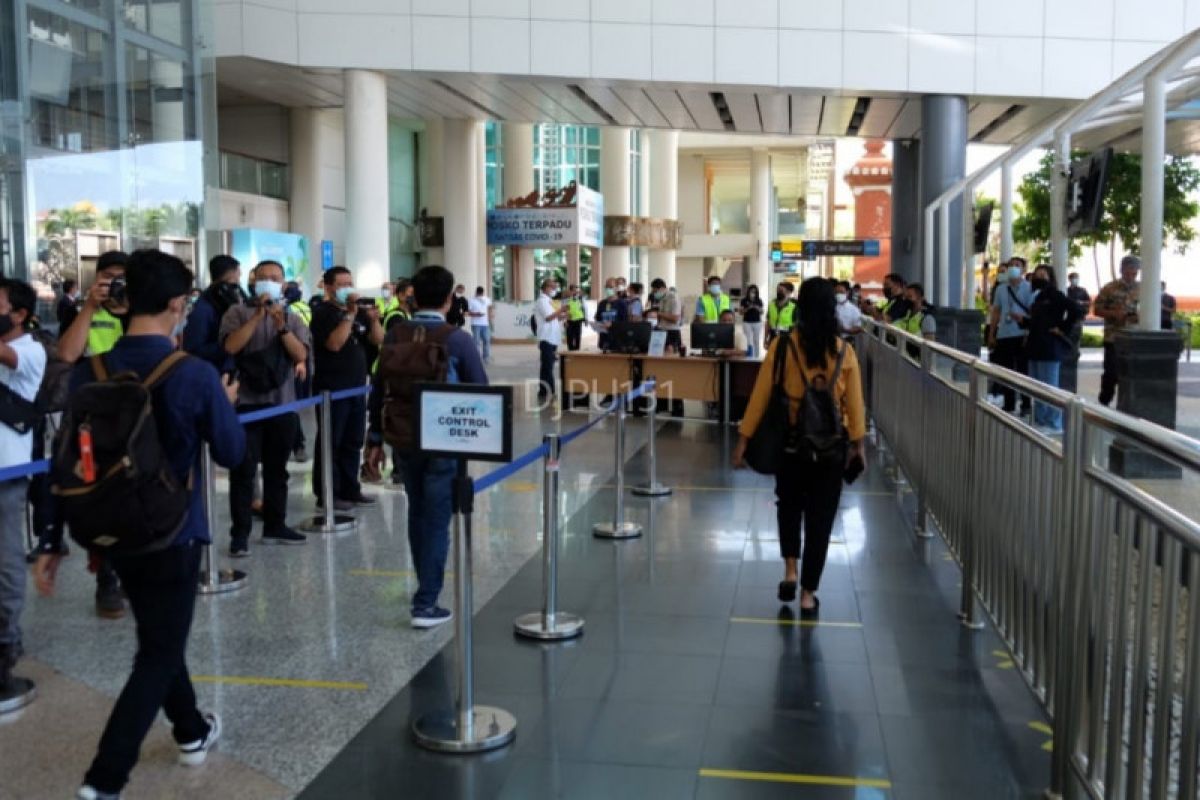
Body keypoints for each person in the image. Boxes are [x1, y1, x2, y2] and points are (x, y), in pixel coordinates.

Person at [33, 249, 245, 799]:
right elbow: (231, 452)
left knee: (159, 634)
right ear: (177, 304)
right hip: (173, 532)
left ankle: (191, 731)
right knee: (157, 652)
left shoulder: (92, 369)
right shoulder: (194, 374)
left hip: (110, 525)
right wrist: (225, 403)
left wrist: (51, 539)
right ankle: (104, 780)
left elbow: (64, 460)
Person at [733, 277, 866, 615]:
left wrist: (743, 440)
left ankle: (790, 570)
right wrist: (858, 446)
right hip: (831, 449)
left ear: (800, 307)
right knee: (821, 519)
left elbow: (760, 396)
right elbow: (855, 406)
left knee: (789, 506)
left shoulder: (781, 347)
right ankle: (808, 593)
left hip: (791, 446)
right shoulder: (845, 352)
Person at [365, 266, 487, 629]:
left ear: (412, 296)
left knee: (417, 511)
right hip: (444, 439)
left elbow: (379, 386)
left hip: (402, 435)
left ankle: (425, 585)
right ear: (450, 299)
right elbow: (480, 389)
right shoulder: (458, 339)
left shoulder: (394, 334)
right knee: (436, 518)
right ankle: (426, 601)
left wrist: (374, 438)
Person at [54, 250, 130, 618]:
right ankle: (107, 580)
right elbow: (67, 354)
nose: (117, 285)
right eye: (110, 277)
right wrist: (89, 307)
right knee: (103, 502)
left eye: (123, 278)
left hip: (137, 412)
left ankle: (136, 572)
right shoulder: (83, 311)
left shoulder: (141, 311)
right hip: (96, 417)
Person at [219, 261, 312, 555]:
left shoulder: (292, 317)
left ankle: (276, 525)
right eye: (263, 278)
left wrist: (280, 324)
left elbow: (300, 354)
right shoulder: (236, 312)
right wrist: (258, 316)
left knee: (277, 470)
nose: (269, 283)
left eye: (275, 278)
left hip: (281, 406)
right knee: (243, 471)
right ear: (253, 281)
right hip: (247, 406)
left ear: (284, 284)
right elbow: (231, 347)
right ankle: (240, 534)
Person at [0, 278, 47, 709]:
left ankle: (6, 646)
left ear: (17, 314)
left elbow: (8, 359)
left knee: (6, 561)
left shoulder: (31, 352)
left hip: (7, 474)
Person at [310, 266, 383, 509]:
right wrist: (350, 315)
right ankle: (328, 493)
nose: (347, 289)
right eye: (341, 284)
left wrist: (373, 320)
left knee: (353, 441)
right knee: (332, 441)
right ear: (329, 287)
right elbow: (334, 344)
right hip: (332, 387)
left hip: (356, 387)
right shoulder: (323, 312)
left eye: (350, 283)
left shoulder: (359, 313)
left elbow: (377, 340)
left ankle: (351, 489)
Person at [1025, 265, 1082, 431]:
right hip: (1034, 345)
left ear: (1050, 278)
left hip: (1049, 346)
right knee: (1036, 385)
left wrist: (1062, 327)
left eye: (1043, 275)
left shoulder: (1055, 295)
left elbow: (1076, 310)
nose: (1039, 277)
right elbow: (1037, 321)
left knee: (1049, 386)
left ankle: (1053, 422)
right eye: (1037, 274)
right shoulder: (1036, 296)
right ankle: (1040, 419)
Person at [1094, 255, 1142, 407]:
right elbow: (1097, 309)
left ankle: (1127, 405)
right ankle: (1104, 403)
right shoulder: (1109, 288)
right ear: (1122, 270)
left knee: (1131, 374)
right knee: (1111, 373)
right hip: (1113, 338)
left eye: (1134, 273)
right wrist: (1113, 314)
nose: (1131, 276)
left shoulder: (1143, 289)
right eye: (1128, 272)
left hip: (1134, 338)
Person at [181, 255, 243, 372]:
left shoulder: (226, 303)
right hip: (213, 372)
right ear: (229, 276)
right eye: (237, 277)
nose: (238, 283)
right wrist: (228, 346)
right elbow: (193, 349)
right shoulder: (204, 307)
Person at [989, 259, 1034, 415]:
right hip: (1004, 335)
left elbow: (1032, 313)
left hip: (1022, 335)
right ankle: (1009, 403)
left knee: (1023, 371)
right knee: (1006, 371)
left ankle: (1026, 404)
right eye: (1011, 266)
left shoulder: (1029, 288)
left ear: (1023, 269)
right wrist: (992, 333)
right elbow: (996, 312)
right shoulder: (1001, 289)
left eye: (1017, 265)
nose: (1013, 268)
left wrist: (1028, 334)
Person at [534, 278, 568, 403]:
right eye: (552, 287)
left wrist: (564, 316)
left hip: (552, 337)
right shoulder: (542, 301)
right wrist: (561, 310)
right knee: (547, 366)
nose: (554, 290)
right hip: (546, 337)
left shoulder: (549, 301)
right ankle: (547, 390)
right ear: (545, 288)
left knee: (549, 365)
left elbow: (554, 318)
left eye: (555, 287)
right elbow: (548, 318)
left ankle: (546, 390)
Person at [467, 286, 493, 363]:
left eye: (481, 293)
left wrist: (491, 316)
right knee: (476, 341)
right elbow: (468, 312)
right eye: (479, 293)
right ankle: (476, 357)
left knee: (486, 340)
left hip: (485, 323)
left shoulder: (487, 299)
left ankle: (486, 357)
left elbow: (490, 308)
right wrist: (476, 314)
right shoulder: (471, 300)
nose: (480, 294)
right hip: (475, 323)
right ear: (476, 292)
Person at [766, 281, 796, 345]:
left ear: (788, 292)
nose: (778, 292)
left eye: (781, 290)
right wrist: (766, 338)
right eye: (778, 290)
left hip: (788, 340)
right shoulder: (771, 305)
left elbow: (797, 327)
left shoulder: (794, 307)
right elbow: (768, 323)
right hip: (773, 338)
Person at [740, 284, 764, 358]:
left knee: (756, 340)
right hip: (747, 322)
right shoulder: (744, 300)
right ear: (748, 292)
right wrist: (748, 308)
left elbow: (762, 312)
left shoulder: (759, 300)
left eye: (754, 292)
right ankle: (750, 355)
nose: (753, 293)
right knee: (749, 340)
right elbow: (741, 312)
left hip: (757, 322)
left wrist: (757, 308)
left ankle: (757, 356)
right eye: (751, 291)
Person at [595, 278, 619, 351]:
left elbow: (624, 321)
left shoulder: (622, 304)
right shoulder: (602, 303)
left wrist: (612, 324)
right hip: (604, 339)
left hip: (617, 340)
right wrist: (597, 323)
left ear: (616, 288)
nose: (608, 289)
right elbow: (598, 317)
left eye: (611, 287)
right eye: (607, 287)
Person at [564, 284, 586, 351]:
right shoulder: (566, 299)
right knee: (569, 336)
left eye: (576, 290)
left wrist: (585, 319)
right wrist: (565, 321)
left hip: (578, 320)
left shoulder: (580, 299)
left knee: (577, 336)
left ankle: (577, 349)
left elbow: (584, 308)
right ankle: (570, 349)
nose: (575, 292)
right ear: (570, 291)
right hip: (569, 320)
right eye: (573, 290)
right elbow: (564, 310)